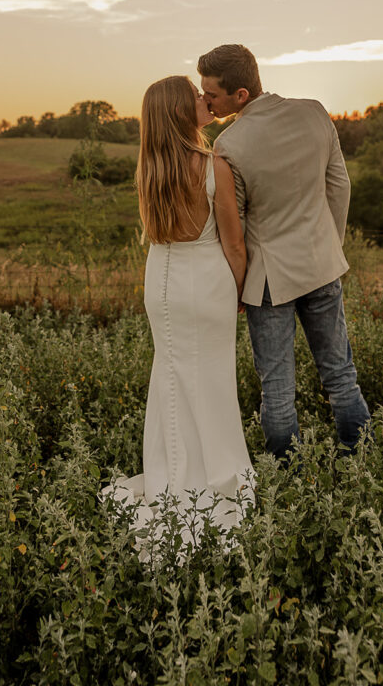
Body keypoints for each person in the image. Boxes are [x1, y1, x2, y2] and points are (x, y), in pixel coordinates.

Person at [101, 75, 254, 551]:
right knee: (211, 378)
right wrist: (243, 291)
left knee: (169, 375)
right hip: (207, 281)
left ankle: (174, 473)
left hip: (162, 280)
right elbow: (233, 243)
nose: (201, 97)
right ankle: (215, 473)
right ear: (178, 110)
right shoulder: (214, 166)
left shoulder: (149, 168)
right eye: (192, 94)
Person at [198, 44, 371, 461]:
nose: (205, 101)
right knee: (340, 374)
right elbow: (340, 187)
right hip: (321, 265)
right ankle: (360, 458)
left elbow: (233, 230)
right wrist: (329, 246)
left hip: (268, 282)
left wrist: (237, 288)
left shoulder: (229, 145)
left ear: (241, 95)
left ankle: (285, 480)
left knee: (276, 388)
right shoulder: (314, 112)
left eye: (212, 95)